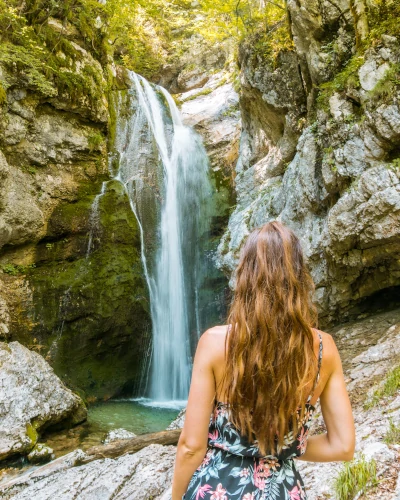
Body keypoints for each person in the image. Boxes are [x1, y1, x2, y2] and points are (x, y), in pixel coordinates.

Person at [171, 221, 355, 500]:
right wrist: (280, 448)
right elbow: (343, 446)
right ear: (299, 276)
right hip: (281, 491)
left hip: (217, 488)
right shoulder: (323, 349)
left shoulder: (214, 343)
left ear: (245, 276)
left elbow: (190, 447)